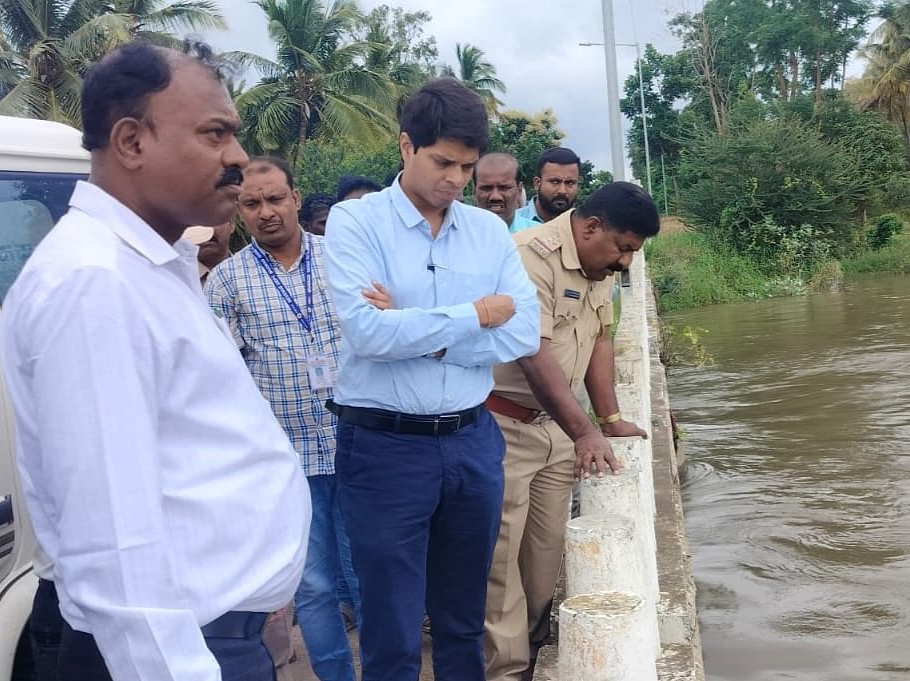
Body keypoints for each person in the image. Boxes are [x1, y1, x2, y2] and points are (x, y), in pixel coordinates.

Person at [0, 40, 310, 681]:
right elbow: (114, 546)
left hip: (211, 631)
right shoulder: (95, 282)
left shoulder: (153, 267)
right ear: (132, 142)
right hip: (171, 649)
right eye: (215, 133)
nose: (239, 158)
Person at [323, 78, 540, 681]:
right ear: (405, 145)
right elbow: (369, 334)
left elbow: (523, 334)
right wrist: (475, 314)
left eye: (467, 167)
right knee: (391, 627)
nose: (456, 179)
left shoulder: (489, 232)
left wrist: (419, 334)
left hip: (473, 439)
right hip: (384, 448)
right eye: (443, 161)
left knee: (463, 618)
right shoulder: (354, 222)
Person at [484, 182, 660, 681]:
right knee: (500, 565)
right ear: (590, 228)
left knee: (542, 560)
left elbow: (600, 336)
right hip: (506, 426)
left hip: (559, 429)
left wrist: (608, 420)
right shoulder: (527, 257)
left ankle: (535, 646)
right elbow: (531, 353)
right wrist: (586, 432)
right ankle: (507, 671)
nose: (626, 262)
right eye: (623, 248)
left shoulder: (598, 266)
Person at [207, 156, 358, 681]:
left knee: (372, 574)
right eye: (252, 203)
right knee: (314, 586)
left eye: (275, 198)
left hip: (363, 445)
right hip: (288, 462)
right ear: (240, 211)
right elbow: (221, 382)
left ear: (296, 197)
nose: (266, 212)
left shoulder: (344, 257)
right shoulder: (226, 284)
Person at [475, 153, 537, 234]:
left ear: (519, 190)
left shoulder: (539, 235)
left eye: (504, 188)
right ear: (474, 190)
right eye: (486, 188)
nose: (495, 196)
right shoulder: (459, 235)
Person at [516, 147, 581, 225]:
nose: (562, 191)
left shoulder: (585, 228)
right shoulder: (510, 223)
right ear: (537, 183)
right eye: (555, 182)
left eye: (570, 183)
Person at [181, 220, 233, 285]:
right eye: (195, 225)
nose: (205, 231)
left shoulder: (247, 267)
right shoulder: (176, 282)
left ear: (231, 226)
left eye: (212, 221)